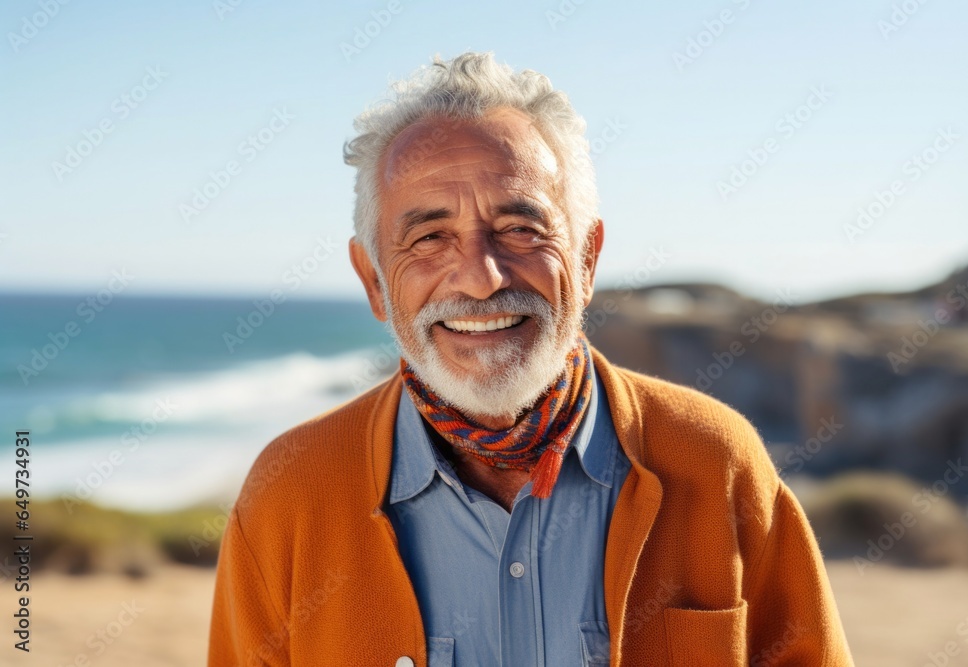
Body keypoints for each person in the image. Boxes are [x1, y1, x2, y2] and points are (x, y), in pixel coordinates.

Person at [208, 51, 854, 666]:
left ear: (587, 258)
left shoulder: (716, 460)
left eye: (520, 229)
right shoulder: (289, 491)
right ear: (374, 280)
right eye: (429, 237)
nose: (481, 278)